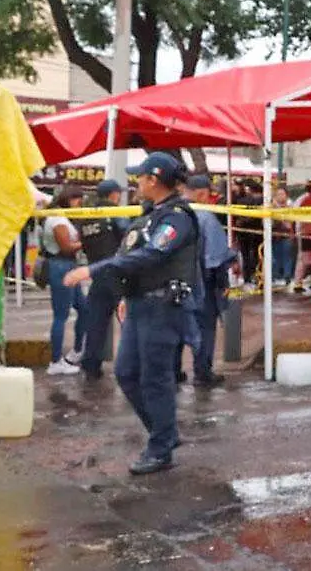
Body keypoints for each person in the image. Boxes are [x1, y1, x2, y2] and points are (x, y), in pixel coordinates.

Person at [64, 152, 201, 475]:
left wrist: (94, 270)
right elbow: (132, 254)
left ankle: (161, 447)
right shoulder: (151, 215)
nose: (136, 183)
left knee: (155, 379)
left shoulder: (176, 218)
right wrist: (126, 293)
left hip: (162, 307)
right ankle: (164, 433)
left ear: (153, 180)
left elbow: (153, 254)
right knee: (126, 373)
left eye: (140, 177)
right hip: (141, 304)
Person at [67, 179, 129, 380]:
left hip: (96, 274)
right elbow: (129, 238)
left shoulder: (86, 216)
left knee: (96, 323)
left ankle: (91, 365)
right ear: (114, 195)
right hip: (118, 275)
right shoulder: (114, 212)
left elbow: (83, 244)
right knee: (129, 322)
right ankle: (132, 366)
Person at [180, 175, 236, 387]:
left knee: (177, 327)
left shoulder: (173, 213)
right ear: (203, 193)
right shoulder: (206, 218)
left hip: (174, 282)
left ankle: (174, 371)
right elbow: (216, 259)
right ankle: (203, 373)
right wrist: (222, 286)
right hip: (202, 282)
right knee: (205, 329)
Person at [42, 186, 88, 375]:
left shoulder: (60, 217)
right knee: (61, 315)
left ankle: (76, 351)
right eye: (77, 199)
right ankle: (55, 361)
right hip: (61, 266)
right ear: (68, 199)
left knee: (84, 308)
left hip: (66, 266)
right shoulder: (58, 220)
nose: (79, 204)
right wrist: (85, 242)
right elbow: (66, 247)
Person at [233, 180, 264, 285]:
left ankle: (248, 277)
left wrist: (241, 222)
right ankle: (254, 276)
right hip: (256, 231)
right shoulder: (260, 200)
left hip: (245, 232)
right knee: (255, 255)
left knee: (247, 255)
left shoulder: (241, 200)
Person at [271, 186, 295, 288]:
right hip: (275, 236)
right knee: (275, 257)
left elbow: (289, 224)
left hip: (287, 235)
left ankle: (286, 277)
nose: (280, 197)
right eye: (278, 194)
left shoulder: (290, 207)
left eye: (282, 194)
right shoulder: (271, 207)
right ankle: (275, 277)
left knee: (287, 257)